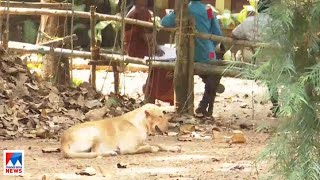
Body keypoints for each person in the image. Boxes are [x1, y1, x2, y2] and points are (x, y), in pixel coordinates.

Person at [161, 0, 223, 116]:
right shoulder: (208, 10)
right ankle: (203, 106)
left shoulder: (182, 9)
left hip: (185, 56)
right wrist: (209, 46)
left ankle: (191, 105)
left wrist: (174, 12)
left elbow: (164, 22)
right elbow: (217, 34)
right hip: (207, 55)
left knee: (210, 75)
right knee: (214, 73)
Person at [124, 0, 173, 105]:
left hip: (139, 46)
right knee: (163, 62)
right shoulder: (139, 12)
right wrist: (155, 48)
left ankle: (150, 89)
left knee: (162, 58)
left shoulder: (142, 11)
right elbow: (146, 36)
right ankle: (154, 92)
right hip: (136, 48)